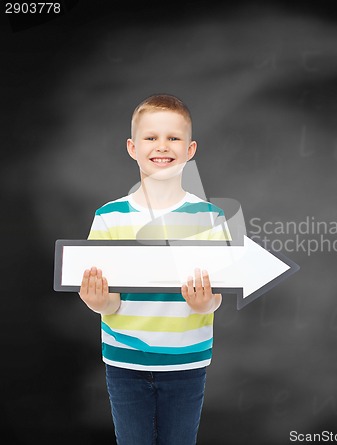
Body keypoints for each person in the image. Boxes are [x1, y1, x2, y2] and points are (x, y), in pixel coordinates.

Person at [78, 94, 230, 445]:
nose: (162, 146)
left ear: (190, 149)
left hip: (187, 361)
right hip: (124, 362)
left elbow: (217, 297)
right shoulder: (108, 217)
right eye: (151, 137)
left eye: (173, 138)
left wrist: (204, 303)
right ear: (132, 147)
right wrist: (98, 302)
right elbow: (109, 301)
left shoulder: (210, 217)